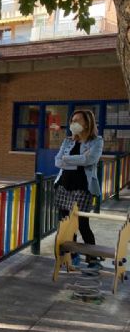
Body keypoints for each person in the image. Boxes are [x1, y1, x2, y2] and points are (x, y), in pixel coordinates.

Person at [54, 109, 103, 269]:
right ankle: (72, 255)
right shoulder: (68, 141)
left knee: (82, 225)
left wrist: (67, 159)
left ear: (87, 123)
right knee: (66, 225)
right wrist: (78, 160)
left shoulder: (97, 141)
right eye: (72, 120)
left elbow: (90, 159)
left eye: (77, 120)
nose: (73, 124)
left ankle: (92, 258)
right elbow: (57, 162)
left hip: (82, 188)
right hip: (63, 186)